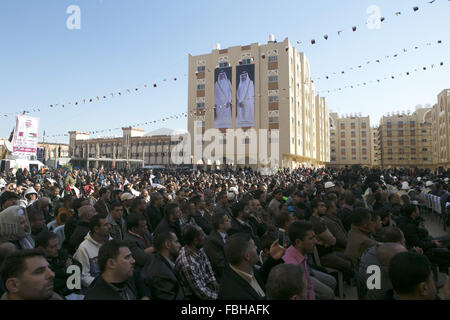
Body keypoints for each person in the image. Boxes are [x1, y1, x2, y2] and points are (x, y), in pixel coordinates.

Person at [218, 232, 284, 300]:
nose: (256, 247)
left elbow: (259, 277)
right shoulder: (232, 293)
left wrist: (273, 258)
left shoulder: (243, 267)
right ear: (247, 256)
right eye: (254, 246)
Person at [283, 221, 336, 300]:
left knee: (332, 281)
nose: (315, 241)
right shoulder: (292, 265)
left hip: (307, 278)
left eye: (314, 237)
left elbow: (309, 284)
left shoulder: (300, 252)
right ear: (298, 242)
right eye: (311, 238)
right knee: (329, 294)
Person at [84, 240, 150, 300]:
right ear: (111, 263)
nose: (133, 261)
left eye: (131, 256)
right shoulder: (95, 296)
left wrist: (145, 296)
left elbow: (140, 282)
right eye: (127, 257)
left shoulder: (127, 274)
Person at [175, 226, 218, 300]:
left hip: (206, 286)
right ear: (195, 241)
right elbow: (201, 293)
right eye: (202, 235)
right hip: (195, 296)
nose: (205, 236)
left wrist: (214, 282)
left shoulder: (198, 248)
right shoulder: (187, 264)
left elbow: (208, 267)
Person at [35, 231, 82, 297]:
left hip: (74, 292)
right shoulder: (37, 264)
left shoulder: (60, 252)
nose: (58, 248)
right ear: (40, 249)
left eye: (57, 244)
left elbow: (78, 266)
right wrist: (67, 270)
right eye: (52, 247)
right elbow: (54, 285)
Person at [73, 214, 111, 289]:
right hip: (96, 288)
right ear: (96, 229)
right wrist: (104, 286)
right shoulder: (84, 248)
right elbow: (84, 277)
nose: (109, 227)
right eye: (106, 225)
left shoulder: (110, 240)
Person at [144, 232, 184, 300]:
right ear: (167, 245)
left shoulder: (159, 259)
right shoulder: (162, 275)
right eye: (176, 242)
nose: (179, 245)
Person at [204, 212, 231, 280]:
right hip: (226, 276)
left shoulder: (226, 234)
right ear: (221, 225)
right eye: (227, 220)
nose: (230, 220)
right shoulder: (212, 241)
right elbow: (220, 265)